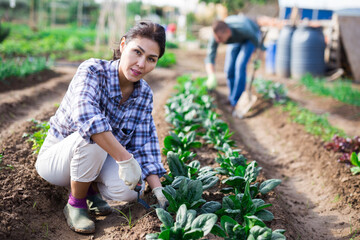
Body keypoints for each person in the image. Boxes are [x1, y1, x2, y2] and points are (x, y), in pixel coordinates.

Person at [35, 21, 168, 234]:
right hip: (57, 159)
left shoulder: (143, 94)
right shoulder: (93, 70)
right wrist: (125, 159)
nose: (141, 64)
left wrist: (158, 189)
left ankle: (91, 190)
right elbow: (87, 118)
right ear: (123, 45)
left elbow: (145, 143)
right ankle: (76, 203)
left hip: (96, 160)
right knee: (94, 136)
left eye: (151, 59)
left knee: (130, 191)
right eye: (137, 52)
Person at [205, 15, 263, 111]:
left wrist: (259, 59)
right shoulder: (217, 35)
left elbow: (258, 45)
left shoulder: (244, 29)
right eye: (216, 38)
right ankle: (232, 98)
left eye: (220, 38)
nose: (218, 41)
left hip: (249, 38)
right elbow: (210, 57)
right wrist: (211, 75)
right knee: (229, 69)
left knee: (240, 66)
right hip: (234, 39)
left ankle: (237, 101)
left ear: (227, 32)